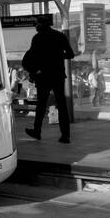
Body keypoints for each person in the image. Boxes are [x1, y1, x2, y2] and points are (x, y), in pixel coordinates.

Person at [23, 14, 75, 143]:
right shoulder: (59, 36)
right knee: (61, 104)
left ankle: (37, 131)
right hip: (58, 75)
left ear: (41, 25)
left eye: (36, 24)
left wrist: (35, 69)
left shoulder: (38, 38)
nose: (35, 26)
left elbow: (32, 56)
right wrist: (57, 56)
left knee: (41, 105)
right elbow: (70, 54)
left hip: (44, 76)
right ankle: (65, 135)